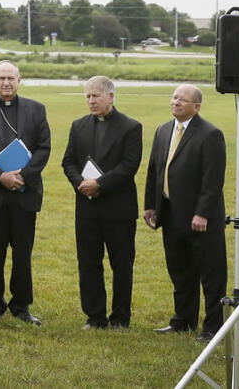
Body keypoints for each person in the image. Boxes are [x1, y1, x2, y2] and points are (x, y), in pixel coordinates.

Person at [143, 84, 227, 341]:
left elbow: (213, 180)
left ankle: (213, 327)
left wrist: (203, 213)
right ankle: (183, 321)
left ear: (197, 106)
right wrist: (150, 205)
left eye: (183, 99)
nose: (176, 102)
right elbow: (154, 170)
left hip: (200, 219)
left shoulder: (210, 134)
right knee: (180, 271)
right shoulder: (163, 130)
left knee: (210, 275)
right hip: (170, 214)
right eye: (174, 97)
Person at [0, 60, 51, 326]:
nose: (6, 83)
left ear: (19, 80)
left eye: (11, 78)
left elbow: (43, 148)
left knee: (22, 254)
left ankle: (21, 306)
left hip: (24, 193)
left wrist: (22, 176)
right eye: (1, 78)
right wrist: (0, 176)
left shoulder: (36, 110)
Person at [61, 75, 143, 330]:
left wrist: (100, 184)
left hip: (118, 209)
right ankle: (95, 317)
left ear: (111, 96)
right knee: (88, 262)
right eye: (87, 96)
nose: (91, 101)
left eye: (96, 96)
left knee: (121, 265)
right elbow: (68, 162)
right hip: (87, 207)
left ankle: (120, 318)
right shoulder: (78, 125)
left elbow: (129, 166)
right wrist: (81, 184)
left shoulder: (131, 127)